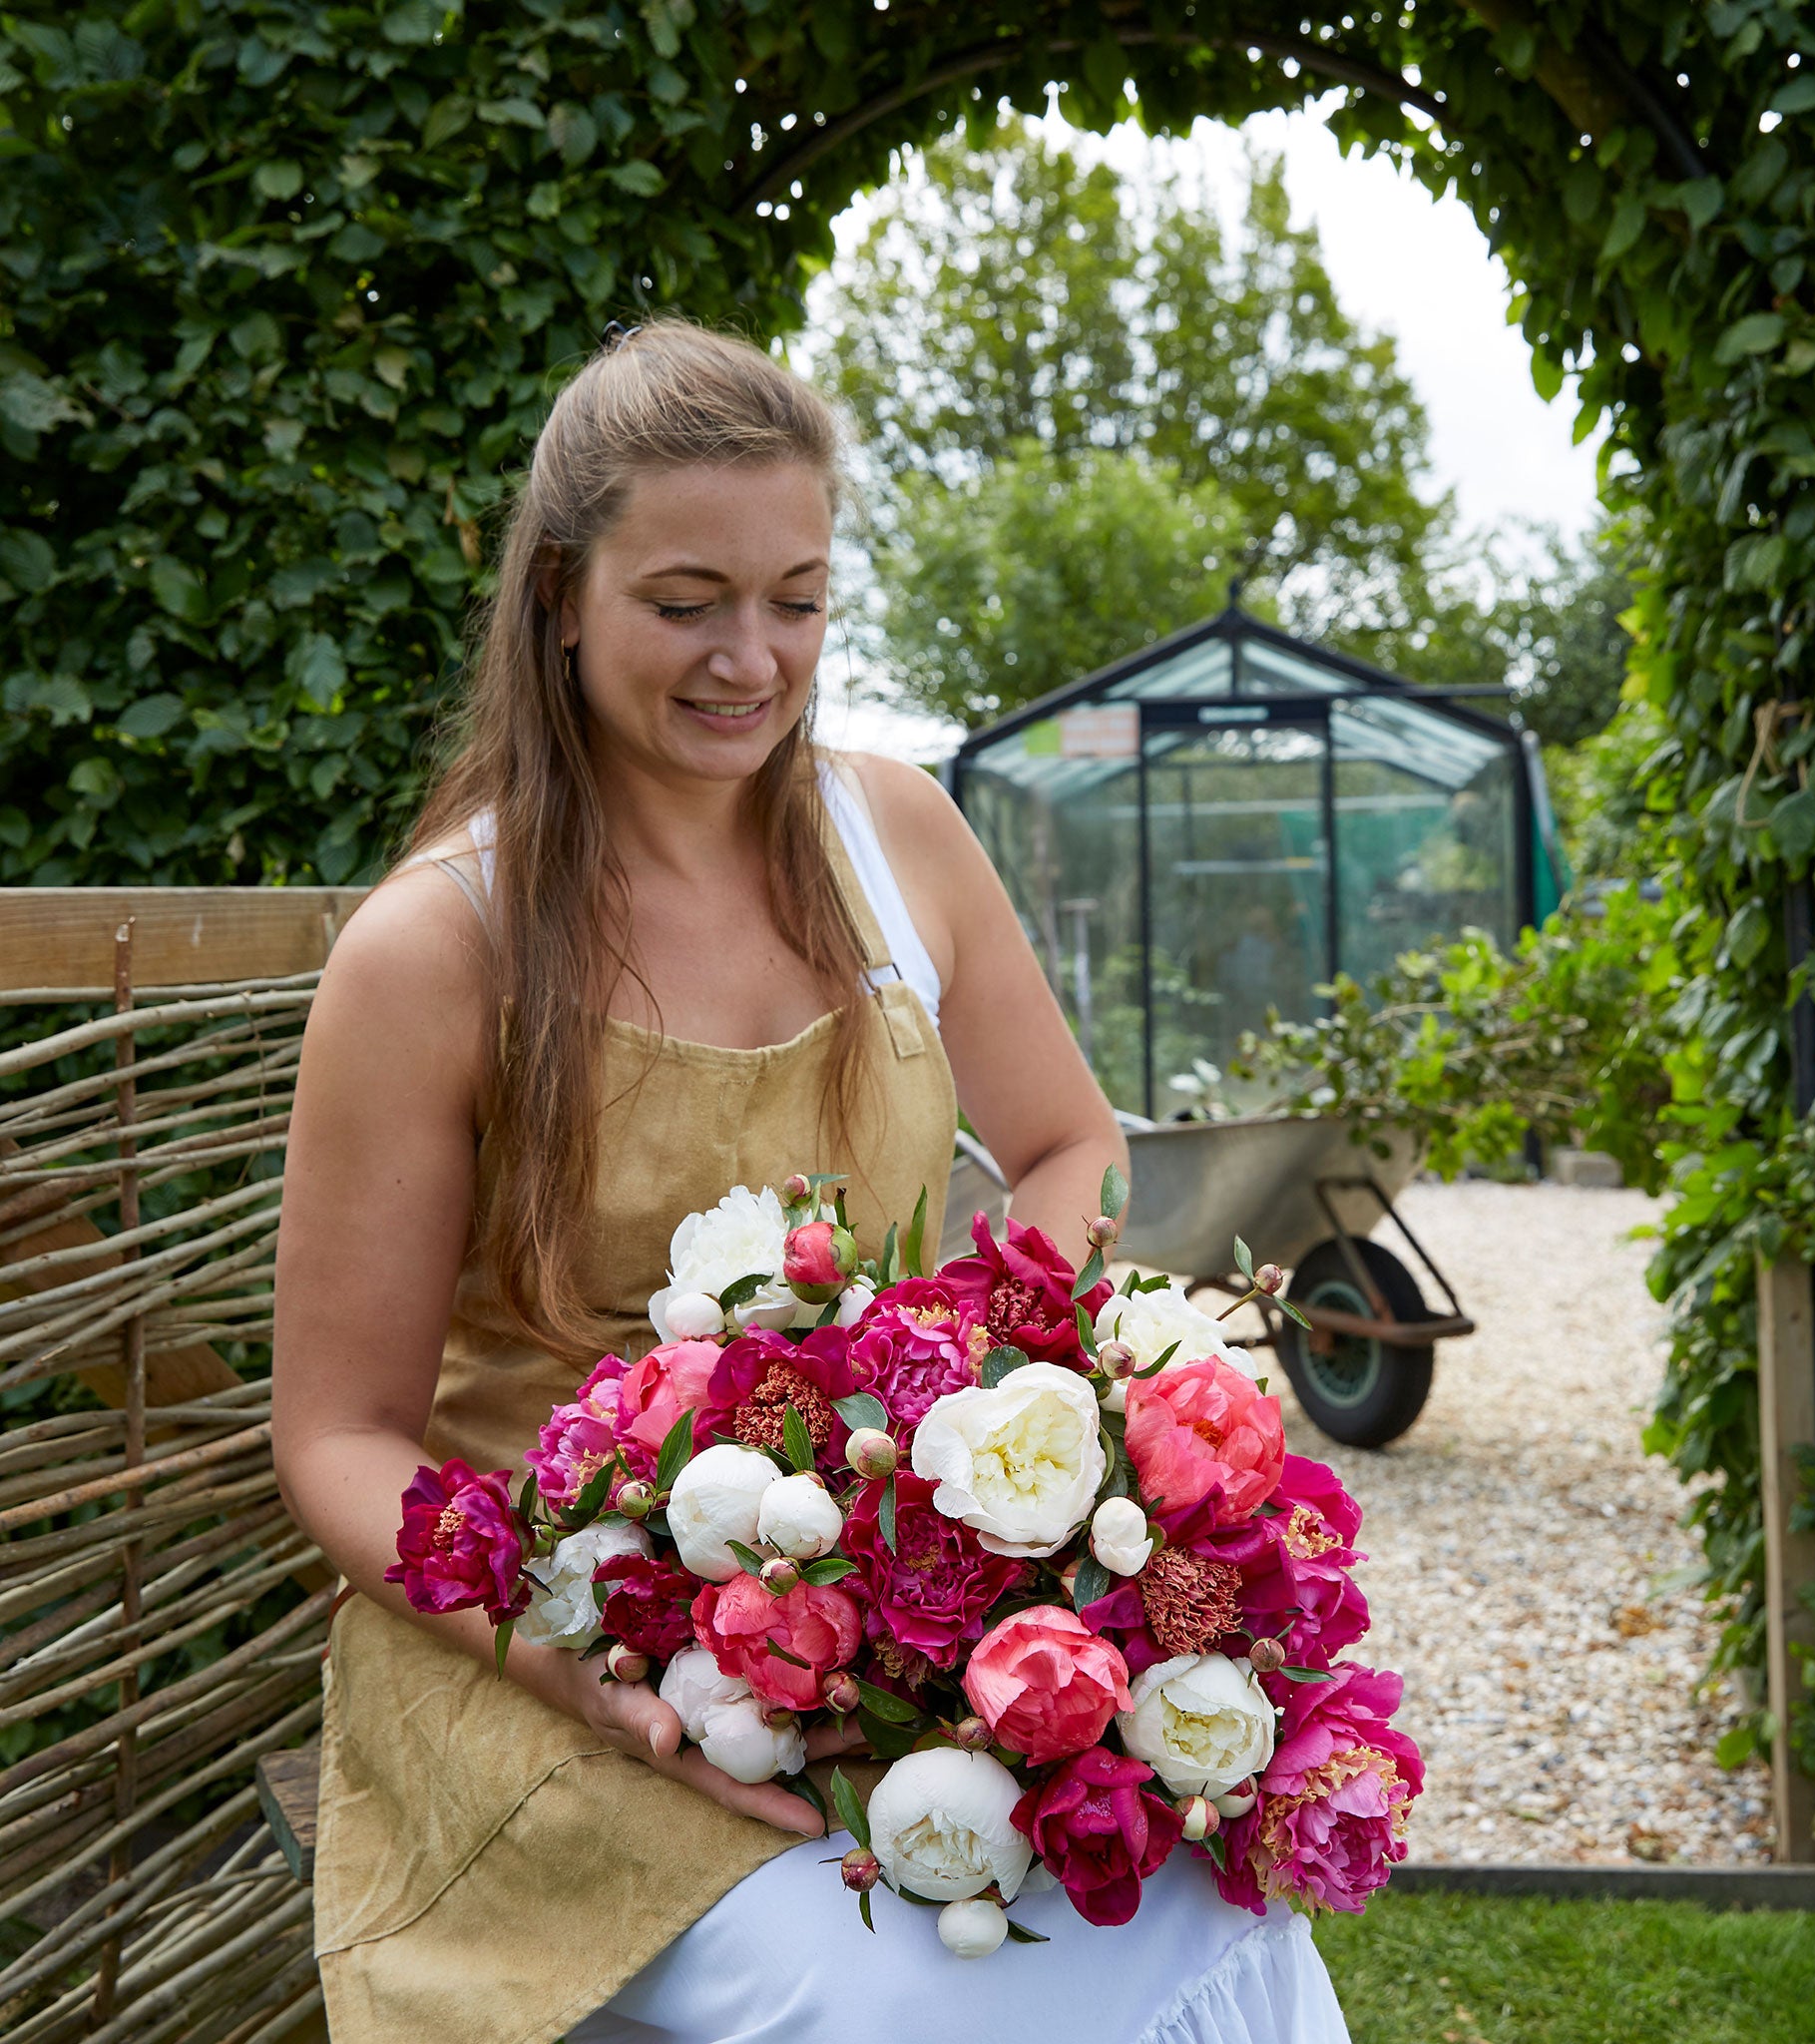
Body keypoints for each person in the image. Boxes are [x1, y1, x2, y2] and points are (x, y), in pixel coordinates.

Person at [271, 320, 1349, 2044]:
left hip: (884, 1620)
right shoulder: (437, 948)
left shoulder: (896, 836)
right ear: (559, 593)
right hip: (547, 1666)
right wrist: (588, 1662)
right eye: (686, 599)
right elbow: (334, 1438)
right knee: (943, 2008)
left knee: (1218, 1920)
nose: (749, 658)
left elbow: (1074, 1142)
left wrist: (996, 1390)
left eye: (798, 598)